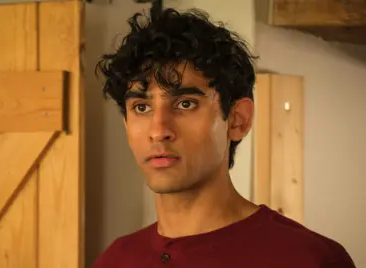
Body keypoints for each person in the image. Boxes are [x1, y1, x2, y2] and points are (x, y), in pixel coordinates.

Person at [92, 7, 356, 268]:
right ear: (127, 125)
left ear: (238, 120)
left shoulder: (309, 259)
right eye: (141, 107)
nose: (159, 130)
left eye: (185, 104)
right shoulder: (115, 260)